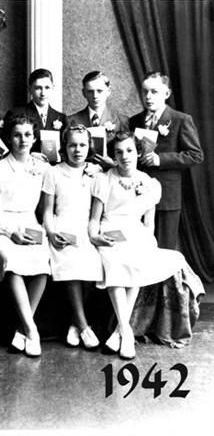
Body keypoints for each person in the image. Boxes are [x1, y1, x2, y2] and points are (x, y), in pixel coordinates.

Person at [88, 131, 204, 359]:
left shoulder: (149, 183)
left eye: (129, 150)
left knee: (137, 261)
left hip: (135, 233)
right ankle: (126, 331)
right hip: (110, 232)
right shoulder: (104, 179)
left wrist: (146, 244)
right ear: (113, 155)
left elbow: (149, 225)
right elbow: (94, 219)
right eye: (119, 152)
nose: (125, 156)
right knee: (115, 263)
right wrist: (95, 237)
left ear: (138, 153)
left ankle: (120, 332)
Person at [0, 114, 50, 357]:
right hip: (3, 228)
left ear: (34, 138)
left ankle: (22, 329)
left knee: (44, 262)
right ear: (9, 138)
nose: (23, 140)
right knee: (11, 261)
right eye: (17, 135)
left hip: (30, 224)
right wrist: (11, 233)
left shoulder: (42, 168)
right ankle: (32, 329)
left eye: (28, 135)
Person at [42, 125, 104, 349]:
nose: (77, 150)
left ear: (89, 147)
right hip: (62, 226)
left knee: (94, 261)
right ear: (64, 147)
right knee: (68, 258)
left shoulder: (95, 172)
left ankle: (74, 323)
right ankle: (84, 327)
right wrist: (51, 232)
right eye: (72, 145)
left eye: (82, 145)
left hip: (86, 228)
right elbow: (47, 210)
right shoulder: (53, 172)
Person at [129, 71, 203, 250]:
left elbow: (195, 155)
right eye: (144, 92)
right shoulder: (135, 121)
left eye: (154, 92)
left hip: (166, 196)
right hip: (136, 194)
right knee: (138, 247)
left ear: (166, 94)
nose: (148, 97)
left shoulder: (180, 120)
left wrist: (160, 159)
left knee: (162, 249)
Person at [67, 71, 129, 170]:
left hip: (110, 175)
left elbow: (128, 154)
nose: (95, 96)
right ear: (83, 93)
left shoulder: (122, 121)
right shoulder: (72, 120)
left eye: (100, 91)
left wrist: (114, 165)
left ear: (108, 91)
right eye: (90, 91)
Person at [3, 68, 67, 156]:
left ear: (53, 88)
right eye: (38, 88)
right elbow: (7, 145)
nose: (43, 93)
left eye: (47, 88)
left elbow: (65, 149)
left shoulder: (61, 117)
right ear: (30, 89)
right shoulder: (15, 113)